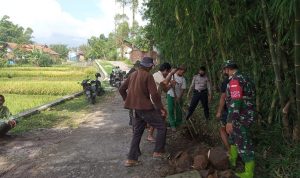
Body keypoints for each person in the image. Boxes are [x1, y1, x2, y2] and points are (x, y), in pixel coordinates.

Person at [119, 57, 168, 167]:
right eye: (152, 66)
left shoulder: (132, 75)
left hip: (135, 110)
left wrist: (127, 100)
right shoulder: (148, 75)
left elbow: (121, 89)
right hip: (145, 108)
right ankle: (158, 152)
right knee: (161, 126)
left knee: (137, 132)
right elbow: (154, 95)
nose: (151, 68)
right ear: (150, 66)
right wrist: (161, 108)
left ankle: (131, 159)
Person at [223, 60, 255, 178]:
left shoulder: (236, 80)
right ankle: (233, 160)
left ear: (228, 69)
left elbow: (236, 100)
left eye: (225, 70)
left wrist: (230, 120)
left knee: (243, 142)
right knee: (233, 137)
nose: (225, 72)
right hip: (246, 114)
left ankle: (249, 173)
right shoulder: (246, 77)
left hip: (241, 116)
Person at [147, 63, 177, 141]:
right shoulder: (157, 75)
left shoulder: (161, 77)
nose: (168, 74)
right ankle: (151, 134)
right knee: (159, 116)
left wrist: (171, 85)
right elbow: (165, 83)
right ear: (165, 70)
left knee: (162, 115)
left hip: (156, 100)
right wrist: (171, 74)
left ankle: (158, 131)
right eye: (168, 72)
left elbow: (165, 89)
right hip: (152, 100)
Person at [167, 65, 186, 131]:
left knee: (179, 111)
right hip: (170, 95)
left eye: (184, 72)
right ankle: (172, 125)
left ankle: (178, 123)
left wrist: (179, 97)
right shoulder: (172, 75)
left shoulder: (183, 79)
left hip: (178, 97)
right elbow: (166, 83)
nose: (182, 73)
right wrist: (171, 84)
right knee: (171, 110)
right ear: (179, 70)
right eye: (182, 71)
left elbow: (183, 89)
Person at [216, 69, 230, 151]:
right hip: (242, 111)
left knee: (223, 129)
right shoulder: (243, 79)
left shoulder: (226, 82)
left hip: (228, 110)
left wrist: (219, 112)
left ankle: (229, 150)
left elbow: (223, 97)